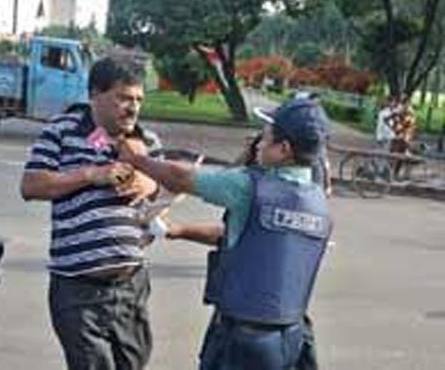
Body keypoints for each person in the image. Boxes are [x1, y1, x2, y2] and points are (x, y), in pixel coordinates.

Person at [118, 98, 332, 370]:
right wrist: (178, 230)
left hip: (244, 340)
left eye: (265, 138)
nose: (259, 145)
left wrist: (136, 159)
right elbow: (245, 237)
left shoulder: (249, 187)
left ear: (284, 149)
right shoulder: (317, 202)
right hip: (292, 338)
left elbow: (181, 178)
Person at [20, 56, 160, 370]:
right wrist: (91, 175)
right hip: (78, 287)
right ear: (95, 94)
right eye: (123, 97)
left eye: (138, 99)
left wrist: (147, 180)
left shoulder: (145, 140)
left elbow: (164, 186)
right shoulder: (62, 130)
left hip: (131, 285)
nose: (132, 108)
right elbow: (31, 185)